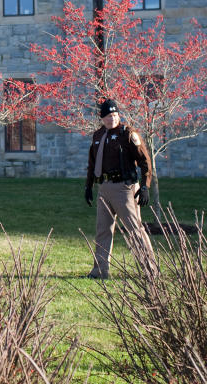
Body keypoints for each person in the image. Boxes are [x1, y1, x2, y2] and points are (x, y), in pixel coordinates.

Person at [84, 99, 156, 279]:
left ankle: (150, 271)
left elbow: (145, 161)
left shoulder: (127, 134)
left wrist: (145, 186)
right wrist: (88, 186)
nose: (112, 119)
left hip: (125, 188)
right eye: (109, 116)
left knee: (134, 230)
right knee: (103, 230)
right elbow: (92, 163)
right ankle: (100, 270)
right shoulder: (98, 136)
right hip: (104, 187)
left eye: (115, 115)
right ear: (102, 118)